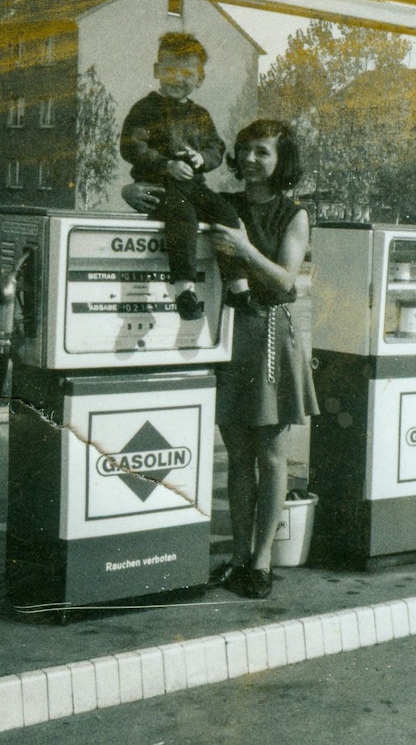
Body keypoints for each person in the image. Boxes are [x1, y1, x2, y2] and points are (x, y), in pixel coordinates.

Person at [123, 119, 318, 599]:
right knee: (236, 456)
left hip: (271, 334)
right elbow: (173, 213)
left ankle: (263, 560)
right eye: (246, 150)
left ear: (282, 162)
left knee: (271, 455)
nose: (251, 159)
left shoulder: (293, 214)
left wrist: (247, 250)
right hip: (228, 334)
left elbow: (286, 282)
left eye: (263, 153)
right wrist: (132, 190)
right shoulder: (224, 204)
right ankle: (237, 556)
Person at [119, 32, 245, 321]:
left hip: (194, 185)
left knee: (226, 214)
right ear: (156, 71)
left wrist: (203, 159)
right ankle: (184, 289)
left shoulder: (200, 115)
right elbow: (132, 145)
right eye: (170, 70)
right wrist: (165, 165)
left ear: (200, 79)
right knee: (183, 217)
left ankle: (237, 283)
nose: (178, 78)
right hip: (161, 187)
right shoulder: (146, 109)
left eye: (187, 73)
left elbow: (216, 147)